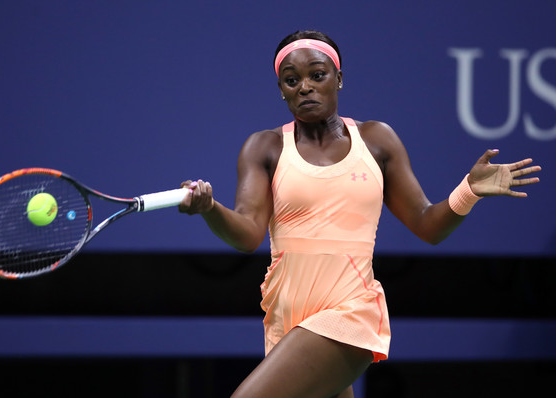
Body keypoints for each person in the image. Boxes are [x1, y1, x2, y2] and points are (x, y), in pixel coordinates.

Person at [178, 30, 541, 398]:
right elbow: (248, 233)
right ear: (282, 90)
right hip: (286, 320)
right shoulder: (264, 147)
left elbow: (428, 225)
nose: (305, 87)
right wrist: (210, 209)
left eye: (317, 75)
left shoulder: (376, 140)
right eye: (292, 80)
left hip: (351, 313)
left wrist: (469, 190)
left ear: (338, 78)